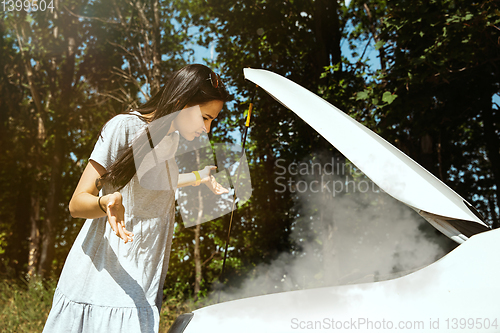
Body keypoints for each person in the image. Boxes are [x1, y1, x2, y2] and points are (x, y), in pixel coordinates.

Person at [43, 64, 230, 333]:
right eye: (205, 117)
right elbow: (76, 203)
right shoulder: (124, 127)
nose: (207, 129)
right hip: (102, 284)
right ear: (180, 102)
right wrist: (104, 203)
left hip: (142, 281)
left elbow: (160, 182)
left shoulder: (171, 140)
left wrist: (200, 176)